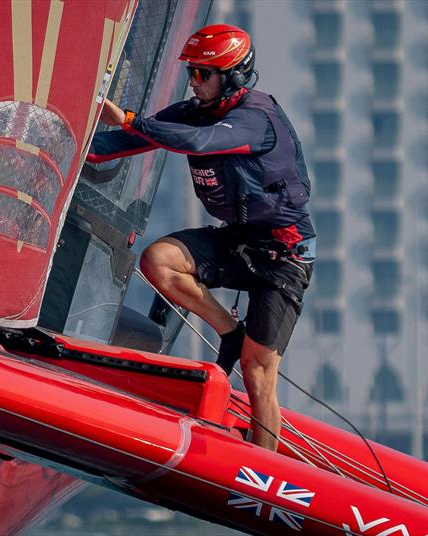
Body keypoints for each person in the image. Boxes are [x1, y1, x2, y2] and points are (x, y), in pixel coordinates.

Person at [85, 24, 315, 452]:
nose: (194, 82)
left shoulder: (257, 120)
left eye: (203, 74)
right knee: (158, 260)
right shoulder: (196, 110)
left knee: (257, 372)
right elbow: (114, 144)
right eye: (191, 72)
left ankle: (262, 469)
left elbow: (198, 141)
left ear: (233, 75)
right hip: (239, 242)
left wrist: (134, 119)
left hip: (285, 258)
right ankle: (229, 331)